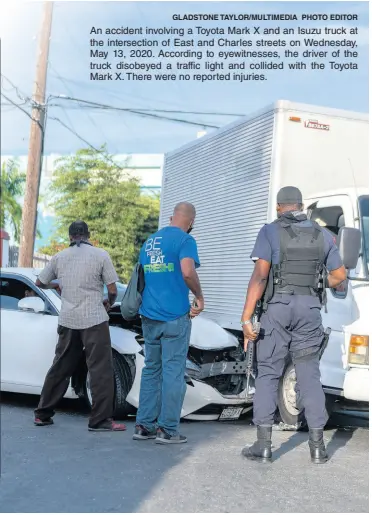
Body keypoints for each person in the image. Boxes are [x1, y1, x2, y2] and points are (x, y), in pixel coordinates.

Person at [240, 187, 346, 464]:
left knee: (268, 374)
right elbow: (339, 275)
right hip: (309, 310)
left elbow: (260, 277)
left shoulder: (269, 231)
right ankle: (318, 448)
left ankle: (263, 446)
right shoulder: (323, 234)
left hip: (277, 309)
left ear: (279, 207)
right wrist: (318, 284)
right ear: (301, 206)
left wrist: (246, 317)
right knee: (309, 375)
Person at [34, 220, 126, 432]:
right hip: (94, 319)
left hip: (68, 320)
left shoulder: (59, 257)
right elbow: (112, 290)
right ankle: (100, 420)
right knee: (100, 369)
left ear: (70, 237)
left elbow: (40, 282)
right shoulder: (101, 255)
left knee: (60, 366)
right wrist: (109, 303)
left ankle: (43, 413)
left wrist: (57, 285)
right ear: (88, 235)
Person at [133, 202, 204, 444]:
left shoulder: (150, 241)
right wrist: (200, 296)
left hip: (149, 316)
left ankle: (144, 426)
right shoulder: (185, 241)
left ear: (172, 217)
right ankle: (168, 430)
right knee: (173, 372)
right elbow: (187, 271)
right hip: (175, 317)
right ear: (191, 223)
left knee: (151, 369)